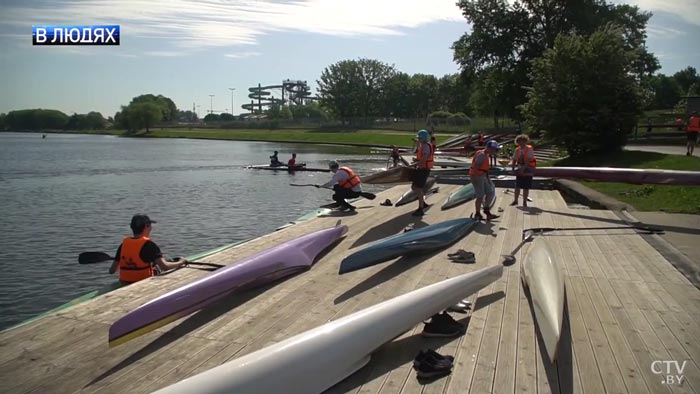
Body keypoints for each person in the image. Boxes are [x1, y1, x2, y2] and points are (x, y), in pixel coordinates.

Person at [109, 214, 186, 284]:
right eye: (150, 225)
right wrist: (181, 262)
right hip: (143, 283)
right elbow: (165, 267)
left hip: (124, 282)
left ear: (131, 227)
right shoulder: (150, 245)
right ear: (146, 226)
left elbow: (112, 271)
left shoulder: (123, 245)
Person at [469, 140, 501, 221]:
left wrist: (487, 178)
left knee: (490, 192)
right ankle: (477, 213)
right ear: (490, 148)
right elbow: (476, 166)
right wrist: (476, 177)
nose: (495, 151)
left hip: (483, 176)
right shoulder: (482, 155)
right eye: (494, 149)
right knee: (480, 196)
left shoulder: (486, 154)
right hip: (477, 177)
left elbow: (484, 169)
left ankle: (487, 211)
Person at [411, 129, 434, 217]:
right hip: (421, 168)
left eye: (420, 138)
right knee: (414, 187)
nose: (419, 139)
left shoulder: (426, 147)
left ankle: (420, 209)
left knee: (418, 188)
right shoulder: (423, 145)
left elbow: (424, 159)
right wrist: (417, 160)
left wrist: (414, 164)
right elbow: (422, 159)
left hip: (424, 170)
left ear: (424, 138)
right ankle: (423, 203)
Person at [510, 134, 536, 207]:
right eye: (519, 141)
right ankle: (515, 200)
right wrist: (513, 169)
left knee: (526, 187)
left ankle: (524, 202)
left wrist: (523, 169)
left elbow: (528, 160)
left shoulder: (529, 149)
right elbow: (514, 159)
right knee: (517, 185)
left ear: (525, 141)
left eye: (522, 141)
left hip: (528, 168)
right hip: (520, 167)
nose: (521, 143)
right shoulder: (517, 150)